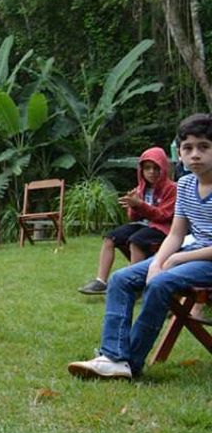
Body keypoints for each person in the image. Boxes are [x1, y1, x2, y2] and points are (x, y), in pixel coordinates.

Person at [68, 113, 212, 381]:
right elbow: (176, 233)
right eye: (188, 148)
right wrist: (157, 262)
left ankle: (130, 363)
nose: (195, 155)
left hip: (206, 260)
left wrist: (175, 262)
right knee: (121, 278)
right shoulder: (185, 185)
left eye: (204, 147)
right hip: (189, 252)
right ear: (179, 154)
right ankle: (112, 356)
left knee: (160, 284)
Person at [77, 147, 176, 295]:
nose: (151, 172)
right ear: (141, 170)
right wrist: (133, 206)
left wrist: (140, 205)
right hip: (144, 225)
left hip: (163, 228)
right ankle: (101, 281)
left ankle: (133, 283)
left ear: (163, 168)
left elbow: (163, 215)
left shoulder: (172, 189)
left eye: (156, 168)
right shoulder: (140, 189)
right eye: (147, 168)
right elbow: (133, 218)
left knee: (136, 241)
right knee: (110, 238)